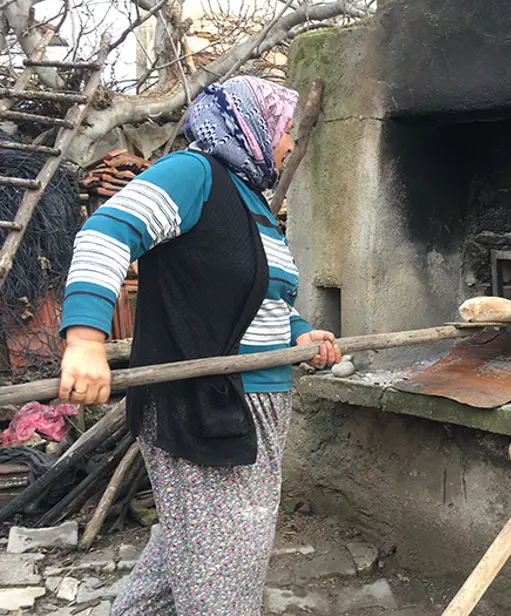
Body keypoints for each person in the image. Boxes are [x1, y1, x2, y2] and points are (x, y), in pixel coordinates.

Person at [57, 76, 341, 616]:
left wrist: (300, 333)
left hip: (260, 403)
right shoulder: (194, 174)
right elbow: (106, 233)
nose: (289, 146)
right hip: (208, 402)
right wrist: (88, 340)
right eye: (284, 131)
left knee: (190, 551)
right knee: (226, 571)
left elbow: (266, 295)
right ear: (252, 125)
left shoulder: (252, 200)